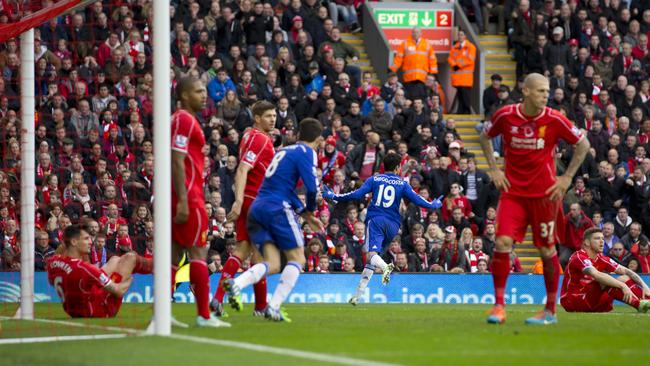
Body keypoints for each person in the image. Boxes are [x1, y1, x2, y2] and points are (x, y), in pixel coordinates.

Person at [480, 73, 590, 325]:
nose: (545, 95)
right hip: (513, 194)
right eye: (540, 91)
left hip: (544, 196)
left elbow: (582, 144)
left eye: (547, 91)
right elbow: (485, 136)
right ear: (526, 91)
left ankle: (550, 311)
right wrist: (494, 169)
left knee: (546, 249)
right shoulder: (505, 115)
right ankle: (498, 307)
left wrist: (567, 178)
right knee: (502, 241)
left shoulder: (554, 118)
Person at [223, 118, 324, 322]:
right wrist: (311, 210)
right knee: (298, 258)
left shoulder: (283, 152)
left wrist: (305, 215)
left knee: (273, 264)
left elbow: (282, 187)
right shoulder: (307, 152)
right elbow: (312, 188)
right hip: (276, 209)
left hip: (257, 208)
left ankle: (237, 284)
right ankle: (274, 307)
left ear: (297, 135)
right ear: (319, 139)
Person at [323, 153, 443, 305]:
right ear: (398, 167)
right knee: (371, 260)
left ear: (383, 166)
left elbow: (356, 194)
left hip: (376, 221)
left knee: (371, 254)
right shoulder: (402, 183)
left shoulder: (375, 179)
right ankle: (358, 295)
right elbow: (417, 199)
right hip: (393, 226)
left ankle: (386, 267)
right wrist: (433, 205)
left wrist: (334, 196)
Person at [170, 77, 230, 328]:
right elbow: (176, 157)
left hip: (179, 193)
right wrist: (184, 200)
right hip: (189, 196)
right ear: (184, 95)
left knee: (173, 256)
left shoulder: (182, 119)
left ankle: (161, 313)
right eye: (198, 91)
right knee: (197, 254)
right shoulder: (183, 119)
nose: (204, 95)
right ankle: (204, 316)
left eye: (204, 90)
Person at [211, 101, 276, 318]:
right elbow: (242, 170)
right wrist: (238, 202)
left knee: (244, 251)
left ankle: (221, 299)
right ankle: (260, 306)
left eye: (274, 115)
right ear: (257, 118)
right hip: (257, 201)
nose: (273, 119)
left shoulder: (248, 135)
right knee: (260, 256)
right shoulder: (259, 138)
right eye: (268, 116)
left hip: (252, 200)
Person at [46, 224, 152, 318]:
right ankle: (158, 265)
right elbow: (118, 291)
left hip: (74, 310)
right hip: (101, 310)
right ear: (74, 242)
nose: (90, 242)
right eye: (86, 239)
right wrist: (128, 279)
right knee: (130, 258)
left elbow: (54, 276)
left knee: (114, 260)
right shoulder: (84, 268)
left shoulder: (52, 262)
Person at [560, 228, 650, 313]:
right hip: (573, 300)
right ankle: (639, 304)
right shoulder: (579, 257)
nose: (602, 241)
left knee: (624, 278)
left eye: (602, 238)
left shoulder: (601, 258)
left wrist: (644, 286)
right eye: (597, 238)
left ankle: (647, 301)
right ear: (587, 242)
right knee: (604, 280)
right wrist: (622, 286)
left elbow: (627, 271)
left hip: (591, 299)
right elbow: (596, 275)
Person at [390, 27, 438, 101]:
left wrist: (433, 73)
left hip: (422, 79)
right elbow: (398, 58)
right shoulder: (405, 44)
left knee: (420, 100)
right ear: (411, 33)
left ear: (421, 33)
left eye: (417, 32)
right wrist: (392, 70)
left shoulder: (427, 44)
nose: (415, 34)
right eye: (414, 32)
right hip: (409, 78)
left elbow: (432, 59)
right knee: (409, 99)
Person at [448, 29, 476, 114]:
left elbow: (470, 59)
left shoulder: (470, 47)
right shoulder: (455, 47)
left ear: (465, 36)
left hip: (466, 78)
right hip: (457, 78)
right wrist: (454, 64)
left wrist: (458, 65)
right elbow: (450, 58)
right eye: (459, 35)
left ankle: (467, 111)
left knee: (466, 97)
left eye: (461, 35)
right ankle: (460, 111)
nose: (460, 36)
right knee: (460, 96)